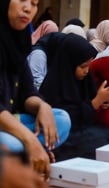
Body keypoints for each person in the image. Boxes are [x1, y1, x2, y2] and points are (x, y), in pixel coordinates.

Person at [0, 0, 70, 179]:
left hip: (7, 122)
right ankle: (21, 158)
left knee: (61, 119)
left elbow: (27, 92)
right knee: (12, 144)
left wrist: (42, 107)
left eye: (34, 3)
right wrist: (31, 141)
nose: (28, 8)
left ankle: (17, 159)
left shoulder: (19, 42)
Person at [39, 33, 109, 160]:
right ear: (70, 64)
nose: (86, 70)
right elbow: (66, 119)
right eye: (83, 66)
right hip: (65, 136)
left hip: (85, 130)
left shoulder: (85, 79)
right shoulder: (53, 85)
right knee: (99, 142)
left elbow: (91, 103)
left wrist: (105, 101)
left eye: (89, 65)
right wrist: (96, 102)